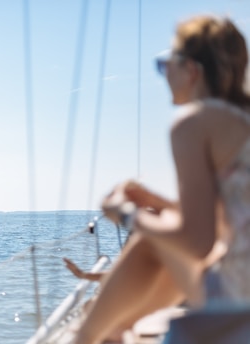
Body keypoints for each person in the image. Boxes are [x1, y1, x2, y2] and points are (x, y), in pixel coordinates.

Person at [72, 15, 250, 344]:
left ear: (191, 70)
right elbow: (225, 223)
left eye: (165, 64)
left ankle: (85, 338)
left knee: (150, 238)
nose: (164, 73)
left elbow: (198, 241)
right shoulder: (239, 121)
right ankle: (108, 331)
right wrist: (156, 203)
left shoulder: (194, 122)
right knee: (161, 228)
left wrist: (124, 213)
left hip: (240, 293)